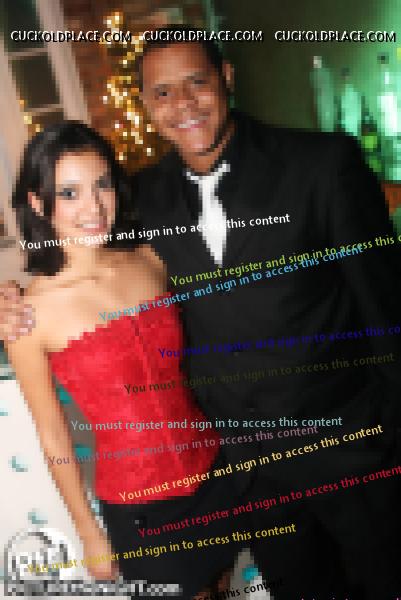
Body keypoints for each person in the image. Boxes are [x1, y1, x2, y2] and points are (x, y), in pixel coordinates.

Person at [2, 27, 401, 598]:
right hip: (246, 475)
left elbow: (385, 304)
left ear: (226, 78)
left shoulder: (321, 163)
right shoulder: (145, 199)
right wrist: (10, 300)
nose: (183, 104)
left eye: (196, 82)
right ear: (146, 104)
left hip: (351, 453)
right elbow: (82, 260)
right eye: (162, 92)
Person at [4, 121, 237, 600]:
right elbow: (53, 434)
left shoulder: (151, 259)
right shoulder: (29, 315)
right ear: (37, 203)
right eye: (69, 193)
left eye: (103, 185)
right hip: (140, 508)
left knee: (222, 587)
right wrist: (89, 533)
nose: (93, 207)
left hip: (215, 474)